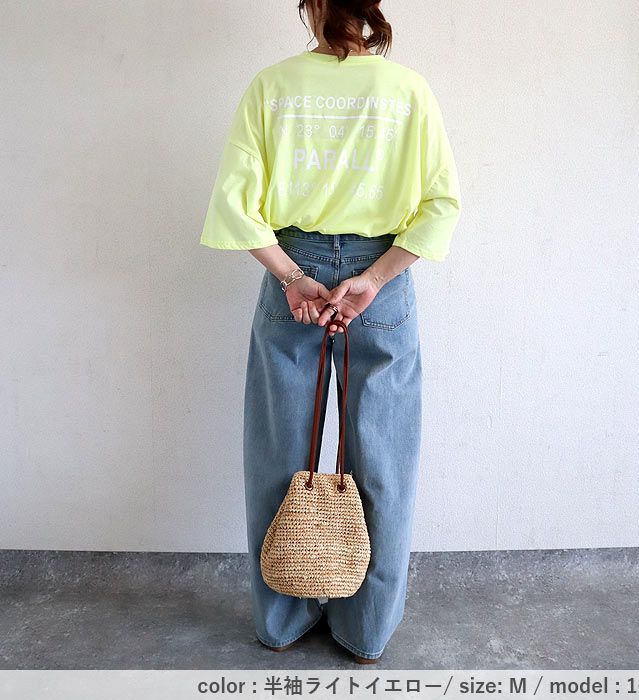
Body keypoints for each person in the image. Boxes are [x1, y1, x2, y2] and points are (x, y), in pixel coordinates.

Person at [199, 0, 461, 664]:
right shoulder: (407, 90)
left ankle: (281, 619)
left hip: (296, 268)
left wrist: (293, 276)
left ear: (312, 6)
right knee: (385, 461)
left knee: (277, 454)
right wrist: (374, 277)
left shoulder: (273, 86)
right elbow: (440, 204)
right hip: (383, 278)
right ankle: (367, 630)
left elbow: (235, 203)